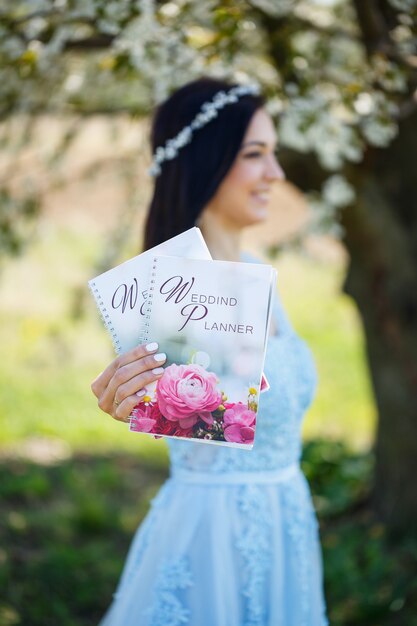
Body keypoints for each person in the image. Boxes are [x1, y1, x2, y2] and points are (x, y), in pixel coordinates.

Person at [92, 76, 328, 626]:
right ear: (208, 161)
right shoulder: (169, 297)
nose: (277, 173)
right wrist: (126, 396)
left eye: (274, 153)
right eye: (255, 155)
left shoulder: (254, 273)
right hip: (211, 541)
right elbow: (157, 401)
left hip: (286, 525)